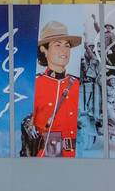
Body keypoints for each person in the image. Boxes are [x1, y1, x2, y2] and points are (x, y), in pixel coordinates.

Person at [24, 20, 81, 157]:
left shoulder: (78, 85)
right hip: (49, 156)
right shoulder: (33, 85)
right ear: (44, 50)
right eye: (57, 45)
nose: (64, 50)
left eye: (67, 46)